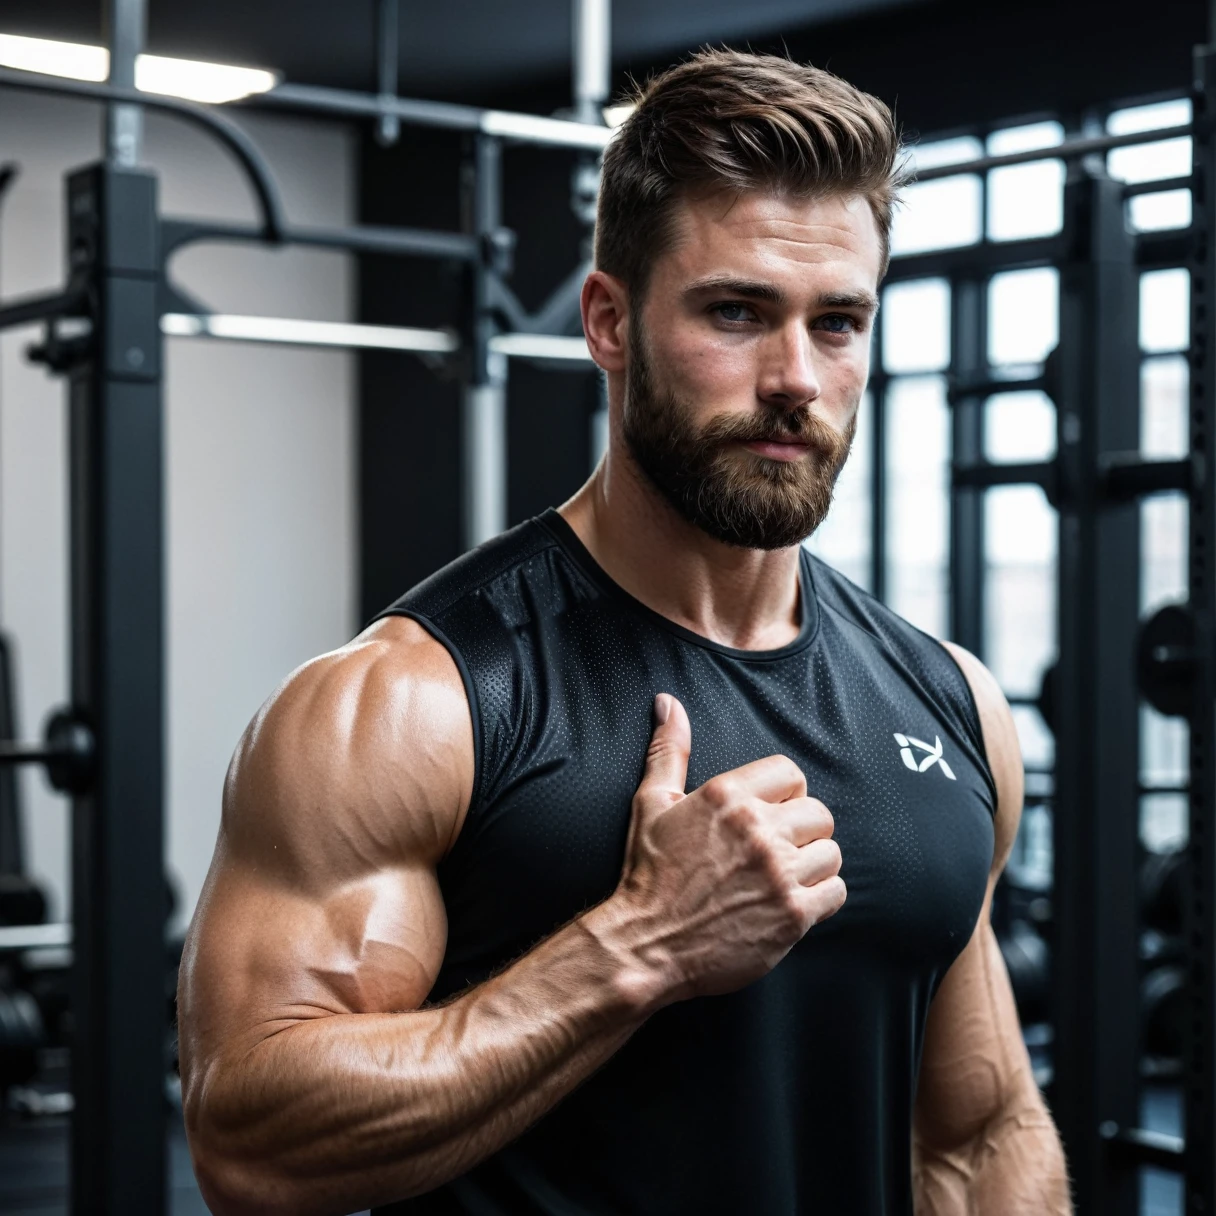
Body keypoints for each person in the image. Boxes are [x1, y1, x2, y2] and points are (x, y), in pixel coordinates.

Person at [179, 49, 1071, 1216]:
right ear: (609, 321)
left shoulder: (950, 706)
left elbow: (977, 1134)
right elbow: (254, 1145)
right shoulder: (419, 702)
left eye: (838, 322)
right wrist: (641, 944)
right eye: (737, 312)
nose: (796, 377)